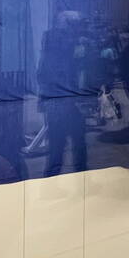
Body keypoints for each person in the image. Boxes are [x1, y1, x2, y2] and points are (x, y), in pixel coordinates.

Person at [36, 11, 87, 174]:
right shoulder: (61, 41)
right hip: (62, 100)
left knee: (61, 144)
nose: (78, 28)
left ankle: (57, 178)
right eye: (76, 24)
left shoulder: (53, 41)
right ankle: (77, 174)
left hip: (60, 99)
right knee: (67, 142)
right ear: (68, 24)